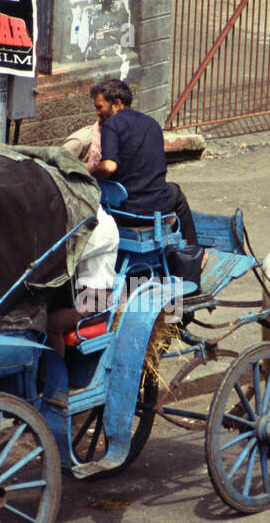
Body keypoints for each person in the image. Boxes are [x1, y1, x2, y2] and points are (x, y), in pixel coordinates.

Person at [88, 78, 198, 246]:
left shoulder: (112, 126)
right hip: (158, 207)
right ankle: (194, 249)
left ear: (116, 103)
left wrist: (90, 173)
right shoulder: (153, 124)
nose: (97, 112)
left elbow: (109, 166)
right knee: (176, 191)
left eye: (99, 107)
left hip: (126, 212)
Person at [46, 205, 120, 358]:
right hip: (76, 295)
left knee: (53, 324)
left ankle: (55, 379)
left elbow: (72, 255)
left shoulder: (105, 227)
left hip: (96, 302)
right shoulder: (83, 222)